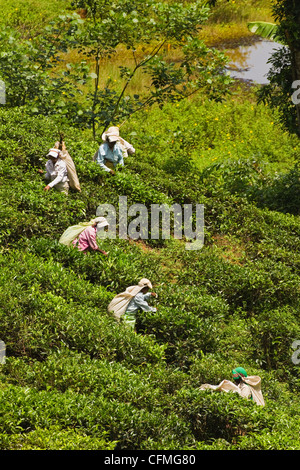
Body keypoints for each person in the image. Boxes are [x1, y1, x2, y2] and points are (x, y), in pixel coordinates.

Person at [199, 366, 265, 406]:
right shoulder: (239, 385)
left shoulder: (245, 387)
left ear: (240, 375)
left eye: (235, 375)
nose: (233, 377)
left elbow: (243, 400)